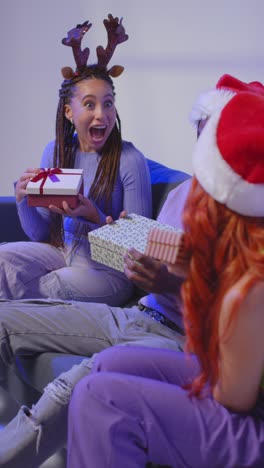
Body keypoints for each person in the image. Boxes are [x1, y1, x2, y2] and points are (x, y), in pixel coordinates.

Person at [0, 73, 260, 468]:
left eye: (107, 102)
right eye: (202, 130)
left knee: (84, 386)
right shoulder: (185, 193)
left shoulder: (242, 217)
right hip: (136, 313)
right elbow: (125, 243)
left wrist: (177, 281)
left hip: (177, 336)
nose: (204, 140)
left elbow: (230, 346)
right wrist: (104, 225)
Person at [67, 90, 264, 468]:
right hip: (230, 377)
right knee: (109, 364)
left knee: (100, 397)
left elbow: (232, 396)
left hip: (246, 401)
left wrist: (194, 284)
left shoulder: (251, 286)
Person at [0, 14, 152, 305]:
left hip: (109, 271)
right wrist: (22, 198)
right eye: (90, 104)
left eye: (108, 103)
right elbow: (42, 234)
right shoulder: (55, 151)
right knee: (4, 264)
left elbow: (138, 253)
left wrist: (92, 215)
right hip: (61, 251)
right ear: (69, 113)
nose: (102, 114)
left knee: (49, 287)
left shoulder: (130, 160)